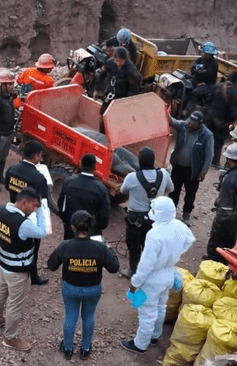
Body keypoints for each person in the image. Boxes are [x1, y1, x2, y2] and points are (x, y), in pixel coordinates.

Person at [121, 196, 195, 354]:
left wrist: (136, 282)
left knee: (147, 312)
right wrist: (174, 256)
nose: (151, 212)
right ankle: (155, 336)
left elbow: (146, 264)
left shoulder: (155, 235)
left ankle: (140, 345)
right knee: (161, 306)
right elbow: (189, 240)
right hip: (169, 272)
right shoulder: (179, 225)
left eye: (154, 210)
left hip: (152, 278)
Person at [47, 210, 120, 360]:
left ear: (73, 227)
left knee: (71, 316)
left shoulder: (65, 246)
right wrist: (110, 250)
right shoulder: (100, 247)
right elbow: (114, 268)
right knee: (88, 317)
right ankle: (85, 348)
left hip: (71, 288)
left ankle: (67, 348)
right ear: (90, 227)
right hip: (93, 289)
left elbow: (51, 265)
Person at [0, 187, 46, 352]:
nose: (35, 209)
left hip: (3, 262)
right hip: (17, 270)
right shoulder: (24, 224)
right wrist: (42, 210)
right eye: (34, 205)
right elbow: (42, 232)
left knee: (1, 290)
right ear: (24, 203)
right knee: (15, 303)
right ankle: (10, 337)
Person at [119, 147, 173, 275]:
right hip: (156, 218)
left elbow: (122, 191)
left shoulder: (132, 177)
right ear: (153, 161)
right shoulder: (164, 174)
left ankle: (134, 271)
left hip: (135, 219)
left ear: (140, 161)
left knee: (134, 246)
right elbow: (170, 188)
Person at [5, 140, 49, 285]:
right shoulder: (39, 177)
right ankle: (33, 275)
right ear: (36, 156)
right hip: (31, 218)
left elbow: (7, 187)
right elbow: (43, 201)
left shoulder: (12, 169)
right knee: (32, 248)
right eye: (40, 155)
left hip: (13, 213)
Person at [203, 143, 237, 263]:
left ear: (229, 158)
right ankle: (227, 260)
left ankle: (213, 261)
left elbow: (224, 201)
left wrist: (220, 215)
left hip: (226, 215)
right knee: (230, 238)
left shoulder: (229, 179)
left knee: (216, 240)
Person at [168, 111, 214, 226]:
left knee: (190, 194)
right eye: (189, 122)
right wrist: (164, 109)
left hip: (193, 171)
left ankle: (186, 215)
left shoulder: (207, 135)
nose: (189, 125)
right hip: (178, 167)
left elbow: (209, 156)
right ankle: (171, 213)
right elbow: (171, 121)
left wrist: (203, 172)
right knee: (174, 191)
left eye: (193, 124)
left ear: (200, 124)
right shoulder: (183, 126)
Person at [57, 153, 111, 240]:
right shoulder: (101, 189)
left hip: (71, 229)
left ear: (80, 165)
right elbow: (105, 214)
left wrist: (66, 221)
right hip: (91, 232)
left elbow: (61, 204)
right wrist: (98, 228)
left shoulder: (69, 182)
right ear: (95, 168)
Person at [97, 46, 142, 132]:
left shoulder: (130, 70)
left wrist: (128, 103)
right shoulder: (110, 63)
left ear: (125, 59)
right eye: (117, 60)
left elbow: (134, 87)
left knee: (117, 120)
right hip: (110, 94)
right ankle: (101, 135)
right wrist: (97, 89)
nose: (119, 63)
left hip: (122, 98)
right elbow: (102, 75)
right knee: (103, 114)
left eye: (121, 61)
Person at [206, 71, 237, 168]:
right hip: (222, 121)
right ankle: (215, 161)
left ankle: (204, 158)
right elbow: (234, 110)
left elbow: (208, 100)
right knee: (219, 142)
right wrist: (231, 122)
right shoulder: (234, 91)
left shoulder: (218, 86)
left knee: (208, 138)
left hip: (210, 116)